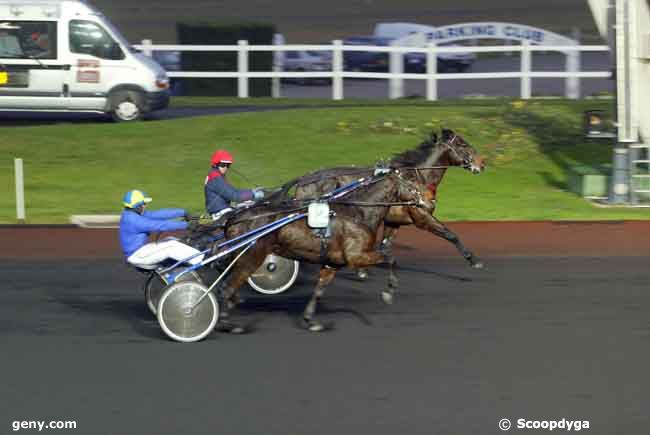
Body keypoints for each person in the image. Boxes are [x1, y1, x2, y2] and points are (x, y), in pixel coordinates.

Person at [119, 189, 204, 268]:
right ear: (137, 206)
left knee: (171, 240)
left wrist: (183, 212)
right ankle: (201, 259)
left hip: (140, 252)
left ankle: (192, 259)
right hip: (137, 256)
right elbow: (161, 225)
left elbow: (159, 214)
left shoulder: (133, 214)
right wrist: (186, 225)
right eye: (144, 204)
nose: (145, 206)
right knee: (172, 247)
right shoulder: (133, 220)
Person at [204, 149, 265, 220]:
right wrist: (253, 195)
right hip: (221, 214)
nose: (226, 168)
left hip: (224, 210)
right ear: (215, 164)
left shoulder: (218, 175)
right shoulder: (215, 178)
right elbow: (234, 196)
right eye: (223, 165)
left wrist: (251, 191)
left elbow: (234, 191)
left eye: (228, 165)